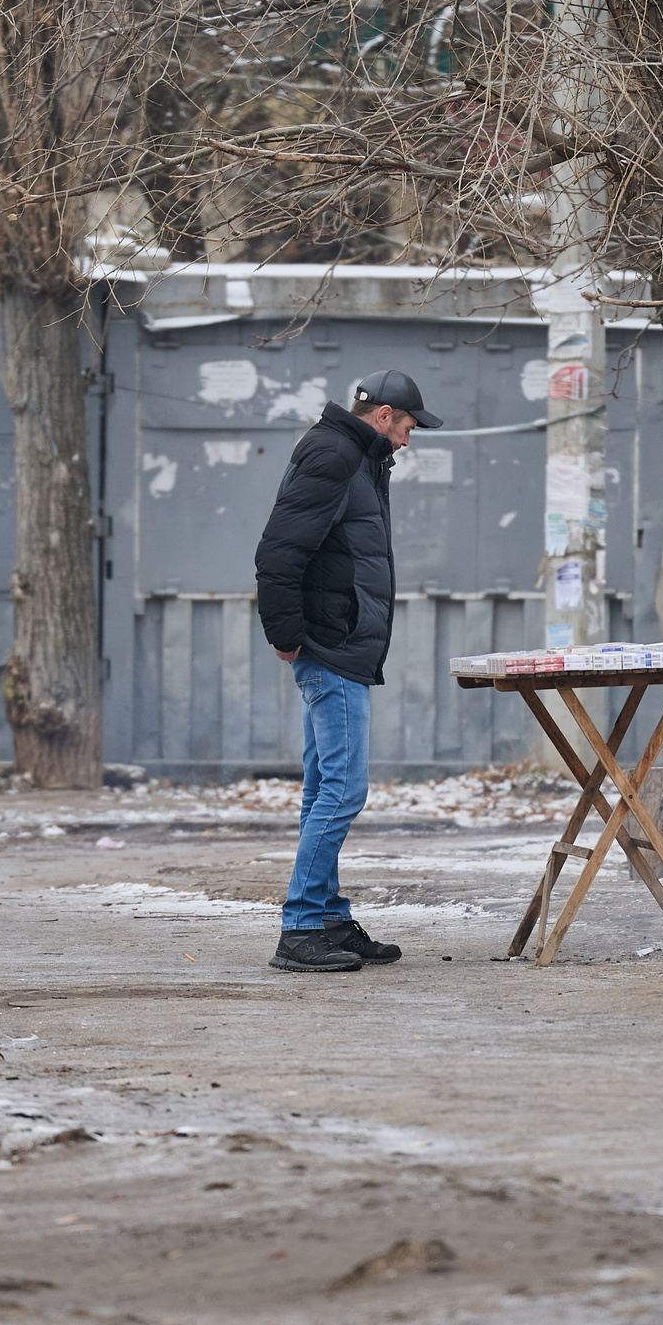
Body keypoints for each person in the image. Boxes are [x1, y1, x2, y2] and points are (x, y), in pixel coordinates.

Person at [252, 369, 442, 973]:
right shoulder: (335, 454)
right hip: (331, 647)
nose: (409, 441)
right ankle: (301, 927)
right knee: (343, 791)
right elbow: (279, 551)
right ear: (383, 415)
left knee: (322, 791)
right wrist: (285, 635)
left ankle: (328, 917)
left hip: (342, 645)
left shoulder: (357, 457)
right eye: (409, 427)